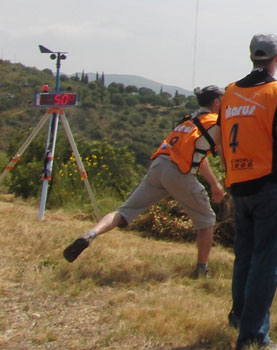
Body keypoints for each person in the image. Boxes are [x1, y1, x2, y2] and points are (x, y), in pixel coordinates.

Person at [215, 34, 277, 350]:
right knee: (267, 262)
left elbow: (220, 141)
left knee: (244, 256)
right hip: (270, 183)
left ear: (252, 57)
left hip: (238, 182)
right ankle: (253, 336)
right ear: (276, 58)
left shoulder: (230, 92)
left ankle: (239, 318)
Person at [63, 85, 227, 279]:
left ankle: (91, 234)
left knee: (124, 211)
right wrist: (221, 182)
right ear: (216, 102)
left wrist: (214, 184)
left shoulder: (189, 120)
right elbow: (222, 150)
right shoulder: (214, 122)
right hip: (179, 173)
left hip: (158, 166)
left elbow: (198, 156)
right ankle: (201, 270)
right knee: (206, 221)